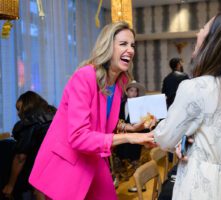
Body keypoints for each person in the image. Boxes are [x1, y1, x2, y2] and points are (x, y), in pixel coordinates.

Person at [29, 21, 154, 200]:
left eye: (132, 45)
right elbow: (79, 136)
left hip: (93, 157)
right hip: (68, 162)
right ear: (107, 47)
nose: (131, 50)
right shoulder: (85, 77)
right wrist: (130, 138)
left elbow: (101, 124)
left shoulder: (119, 84)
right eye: (123, 44)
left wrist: (131, 129)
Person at [152, 11, 221, 200]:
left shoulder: (195, 87)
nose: (198, 33)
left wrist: (156, 126)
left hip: (201, 182)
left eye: (204, 28)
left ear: (213, 42)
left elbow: (165, 139)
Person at [2, 91, 56, 200]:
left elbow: (20, 158)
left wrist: (10, 185)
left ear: (28, 107)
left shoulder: (29, 123)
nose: (18, 113)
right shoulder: (55, 115)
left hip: (40, 177)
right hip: (61, 172)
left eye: (19, 109)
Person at [113, 80, 148, 191]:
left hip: (136, 136)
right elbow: (117, 119)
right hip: (123, 136)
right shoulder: (120, 104)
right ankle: (117, 179)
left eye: (135, 91)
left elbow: (144, 122)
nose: (133, 93)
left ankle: (141, 184)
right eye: (131, 90)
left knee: (135, 160)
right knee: (117, 157)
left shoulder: (140, 106)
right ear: (127, 92)